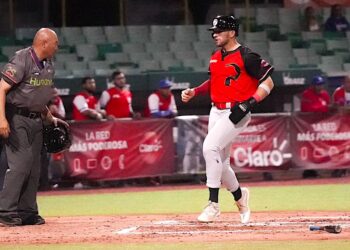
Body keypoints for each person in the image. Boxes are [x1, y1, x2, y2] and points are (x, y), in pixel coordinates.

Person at [181, 15, 274, 224]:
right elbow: (214, 82)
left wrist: (249, 103)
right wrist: (195, 91)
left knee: (209, 147)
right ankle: (241, 197)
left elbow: (268, 84)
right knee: (221, 164)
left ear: (232, 32)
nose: (215, 34)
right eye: (214, 31)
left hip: (236, 112)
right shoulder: (215, 56)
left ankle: (213, 205)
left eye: (219, 31)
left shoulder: (247, 55)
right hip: (216, 111)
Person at [0, 28, 68, 226]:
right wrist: (1, 119)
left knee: (34, 167)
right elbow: (1, 88)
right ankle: (5, 211)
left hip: (36, 119)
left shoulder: (49, 65)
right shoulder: (22, 59)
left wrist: (50, 117)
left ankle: (27, 211)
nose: (57, 47)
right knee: (21, 163)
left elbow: (37, 97)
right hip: (16, 117)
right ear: (44, 43)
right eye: (55, 43)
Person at [331, 74, 350, 177]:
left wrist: (344, 108)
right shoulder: (338, 92)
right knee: (340, 147)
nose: (349, 85)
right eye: (348, 82)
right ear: (344, 83)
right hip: (341, 126)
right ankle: (340, 169)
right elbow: (337, 109)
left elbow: (343, 109)